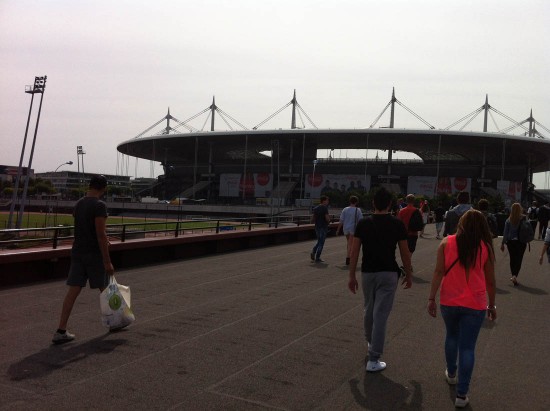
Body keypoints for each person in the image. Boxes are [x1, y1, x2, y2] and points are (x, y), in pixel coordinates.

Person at [427, 210, 496, 408]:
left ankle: (451, 373)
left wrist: (431, 297)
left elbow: (439, 271)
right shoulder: (485, 248)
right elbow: (491, 282)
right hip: (475, 303)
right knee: (467, 347)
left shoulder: (446, 243)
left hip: (449, 300)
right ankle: (462, 394)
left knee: (451, 336)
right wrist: (492, 304)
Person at [348, 187, 413, 373]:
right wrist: (408, 274)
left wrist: (351, 275)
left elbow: (354, 252)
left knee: (369, 309)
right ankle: (374, 358)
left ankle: (370, 343)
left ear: (373, 203)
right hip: (388, 273)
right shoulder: (397, 224)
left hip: (368, 272)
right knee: (381, 314)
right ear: (391, 204)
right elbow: (404, 253)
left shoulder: (363, 223)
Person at [52, 175, 114, 344]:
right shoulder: (99, 205)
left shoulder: (79, 203)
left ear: (90, 186)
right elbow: (100, 235)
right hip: (94, 254)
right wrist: (107, 261)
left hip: (78, 252)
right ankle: (115, 321)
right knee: (105, 289)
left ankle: (61, 329)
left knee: (73, 291)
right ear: (103, 188)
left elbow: (82, 228)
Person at [501, 202, 527, 286]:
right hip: (521, 242)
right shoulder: (523, 218)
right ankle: (515, 275)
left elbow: (505, 232)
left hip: (511, 242)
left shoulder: (509, 219)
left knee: (512, 259)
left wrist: (502, 243)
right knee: (519, 259)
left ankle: (513, 275)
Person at [337, 195, 363, 265]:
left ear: (350, 201)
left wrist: (338, 229)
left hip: (345, 228)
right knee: (351, 244)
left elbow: (341, 220)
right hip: (353, 229)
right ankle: (348, 258)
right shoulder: (358, 210)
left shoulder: (345, 209)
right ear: (356, 202)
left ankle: (349, 256)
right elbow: (361, 221)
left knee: (349, 243)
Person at [311, 195, 330, 263]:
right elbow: (327, 218)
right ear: (324, 201)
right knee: (321, 242)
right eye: (327, 200)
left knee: (319, 240)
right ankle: (317, 257)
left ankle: (313, 251)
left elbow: (313, 219)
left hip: (317, 227)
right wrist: (329, 222)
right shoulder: (325, 208)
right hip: (323, 227)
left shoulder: (316, 208)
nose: (328, 202)